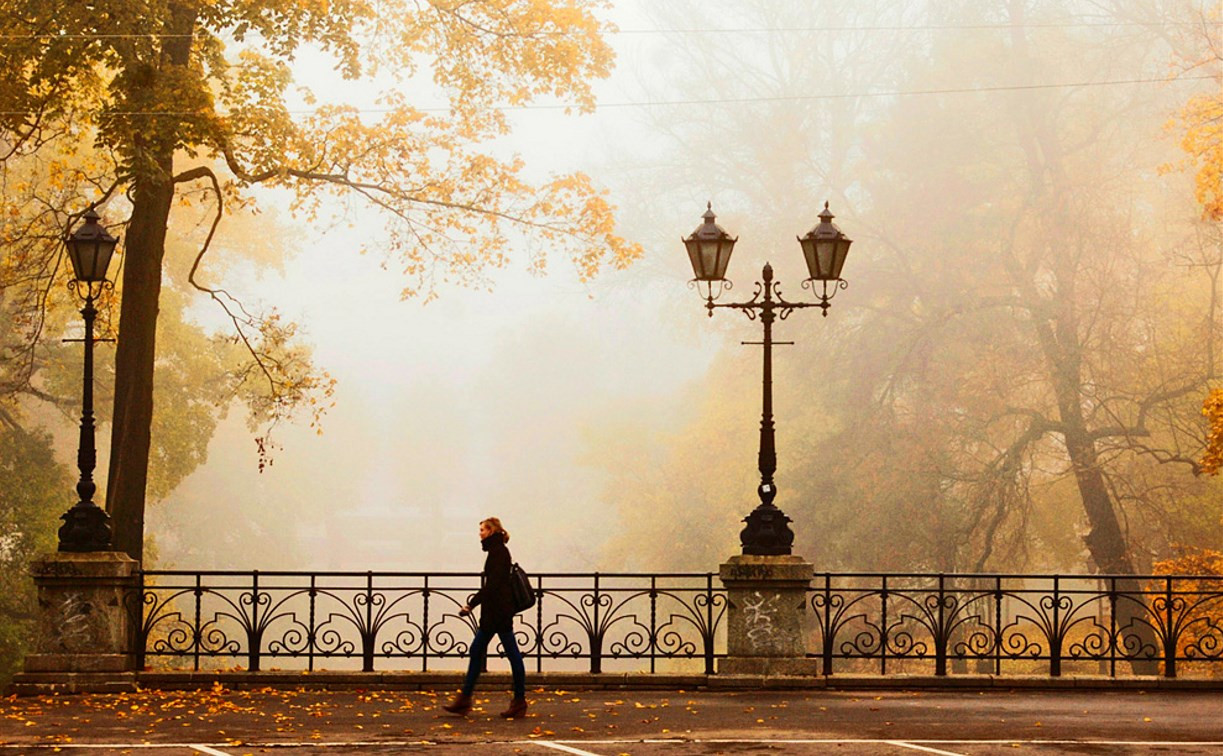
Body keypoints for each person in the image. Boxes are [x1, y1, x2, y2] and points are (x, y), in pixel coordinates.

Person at [443, 517, 528, 718]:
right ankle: (468, 699)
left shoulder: (498, 553)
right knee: (485, 651)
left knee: (507, 654)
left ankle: (517, 700)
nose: (479, 533)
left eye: (482, 529)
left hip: (497, 614)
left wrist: (471, 604)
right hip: (496, 613)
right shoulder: (497, 551)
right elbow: (494, 585)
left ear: (491, 531)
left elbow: (493, 586)